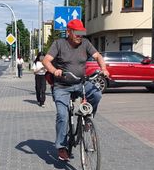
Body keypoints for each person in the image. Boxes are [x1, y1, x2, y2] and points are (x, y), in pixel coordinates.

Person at [42, 19, 109, 161]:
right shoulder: (59, 44)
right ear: (69, 32)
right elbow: (46, 60)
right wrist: (54, 71)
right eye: (77, 33)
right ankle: (61, 147)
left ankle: (87, 121)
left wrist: (103, 68)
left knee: (96, 94)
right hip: (62, 87)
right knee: (62, 115)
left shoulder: (85, 43)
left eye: (81, 33)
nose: (80, 36)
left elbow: (97, 56)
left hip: (80, 83)